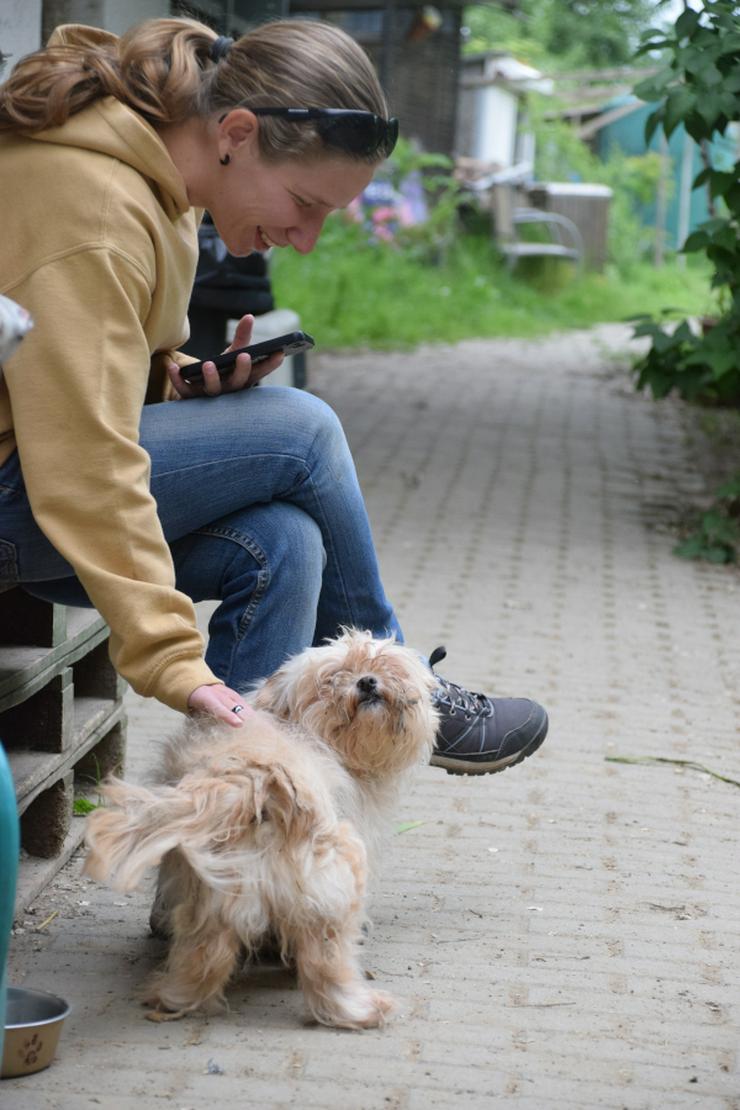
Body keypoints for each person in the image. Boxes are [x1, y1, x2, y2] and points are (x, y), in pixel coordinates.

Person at [0, 16, 548, 774]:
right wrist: (175, 664)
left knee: (287, 542)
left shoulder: (163, 186)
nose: (306, 237)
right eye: (305, 202)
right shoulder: (94, 205)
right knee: (301, 429)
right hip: (24, 492)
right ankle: (410, 686)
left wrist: (176, 382)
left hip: (34, 484)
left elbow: (72, 373)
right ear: (238, 131)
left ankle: (232, 843)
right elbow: (82, 460)